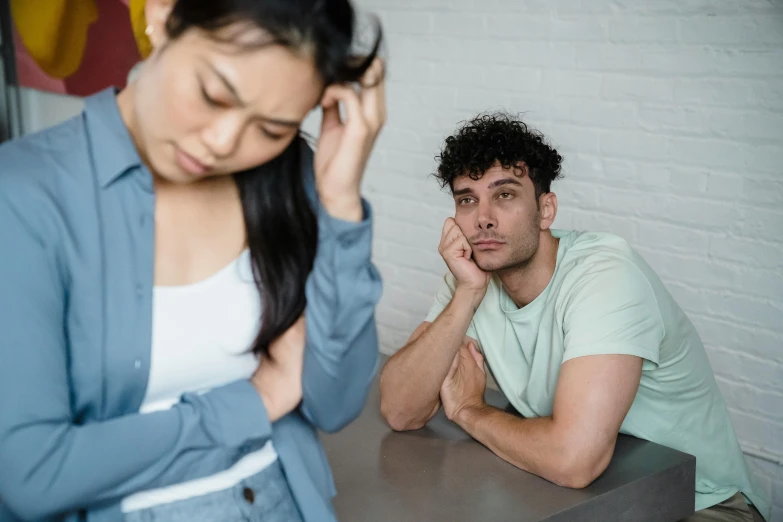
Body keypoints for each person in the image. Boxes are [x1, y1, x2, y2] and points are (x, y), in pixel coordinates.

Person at [0, 0, 385, 520]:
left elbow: (334, 405)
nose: (224, 142)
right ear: (161, 15)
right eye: (213, 94)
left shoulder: (295, 178)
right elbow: (33, 474)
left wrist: (341, 206)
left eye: (271, 129)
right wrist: (257, 400)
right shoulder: (23, 193)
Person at [378, 113, 770, 522]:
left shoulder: (605, 275)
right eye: (467, 200)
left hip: (701, 503)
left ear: (546, 210)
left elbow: (573, 460)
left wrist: (467, 411)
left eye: (505, 194)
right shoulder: (470, 278)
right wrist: (467, 295)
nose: (483, 218)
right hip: (590, 501)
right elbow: (401, 410)